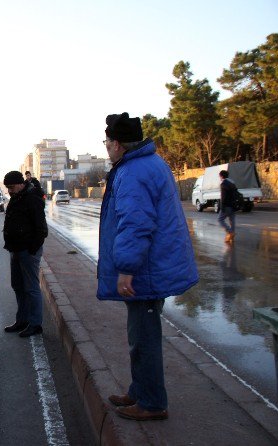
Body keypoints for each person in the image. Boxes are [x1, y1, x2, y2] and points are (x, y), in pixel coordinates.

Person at [98, 113, 198, 421]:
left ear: (117, 144)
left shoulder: (134, 172)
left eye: (106, 142)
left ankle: (152, 403)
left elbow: (136, 223)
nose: (106, 147)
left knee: (144, 339)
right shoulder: (148, 164)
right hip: (151, 266)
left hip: (145, 270)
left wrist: (126, 268)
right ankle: (139, 390)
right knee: (139, 334)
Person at [2, 170, 49, 337]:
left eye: (12, 187)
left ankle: (35, 324)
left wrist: (32, 249)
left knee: (31, 288)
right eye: (7, 187)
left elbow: (41, 229)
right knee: (18, 286)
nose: (10, 190)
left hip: (28, 251)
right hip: (15, 249)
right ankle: (22, 320)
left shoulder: (32, 199)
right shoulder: (16, 198)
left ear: (21, 184)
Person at [218, 170, 236, 243]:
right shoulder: (232, 183)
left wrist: (222, 207)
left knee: (220, 219)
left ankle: (230, 232)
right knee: (232, 220)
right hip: (233, 205)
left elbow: (223, 197)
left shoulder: (223, 184)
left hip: (227, 205)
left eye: (219, 176)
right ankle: (232, 235)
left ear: (222, 176)